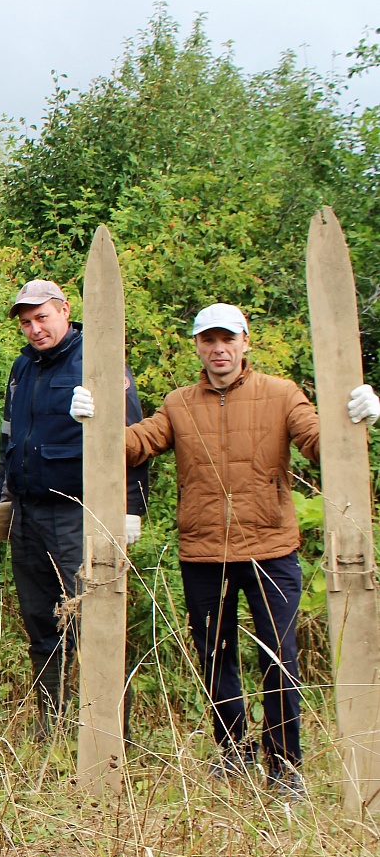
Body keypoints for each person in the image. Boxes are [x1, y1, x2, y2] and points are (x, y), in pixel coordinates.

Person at [72, 302, 380, 797]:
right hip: (204, 552)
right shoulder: (179, 403)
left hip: (271, 550)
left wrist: (356, 420)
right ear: (197, 346)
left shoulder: (280, 395)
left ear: (245, 342)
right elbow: (135, 444)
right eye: (208, 340)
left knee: (278, 658)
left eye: (227, 339)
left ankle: (285, 767)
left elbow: (323, 446)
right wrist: (95, 419)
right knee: (215, 658)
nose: (219, 349)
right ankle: (232, 753)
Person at [0, 280, 150, 737]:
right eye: (26, 322)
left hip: (76, 513)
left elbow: (133, 440)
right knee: (42, 620)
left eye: (42, 317)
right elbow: (8, 437)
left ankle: (106, 729)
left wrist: (130, 508)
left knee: (93, 618)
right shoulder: (22, 368)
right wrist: (4, 493)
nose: (34, 329)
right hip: (27, 514)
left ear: (65, 310)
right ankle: (53, 721)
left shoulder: (97, 362)